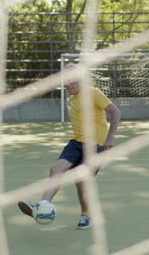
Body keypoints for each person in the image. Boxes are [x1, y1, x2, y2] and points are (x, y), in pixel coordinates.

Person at [18, 64, 121, 229]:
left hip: (96, 146)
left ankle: (86, 214)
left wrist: (110, 138)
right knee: (55, 169)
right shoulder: (72, 98)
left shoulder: (94, 93)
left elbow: (116, 112)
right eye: (65, 82)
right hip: (76, 143)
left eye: (72, 81)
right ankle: (42, 205)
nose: (68, 85)